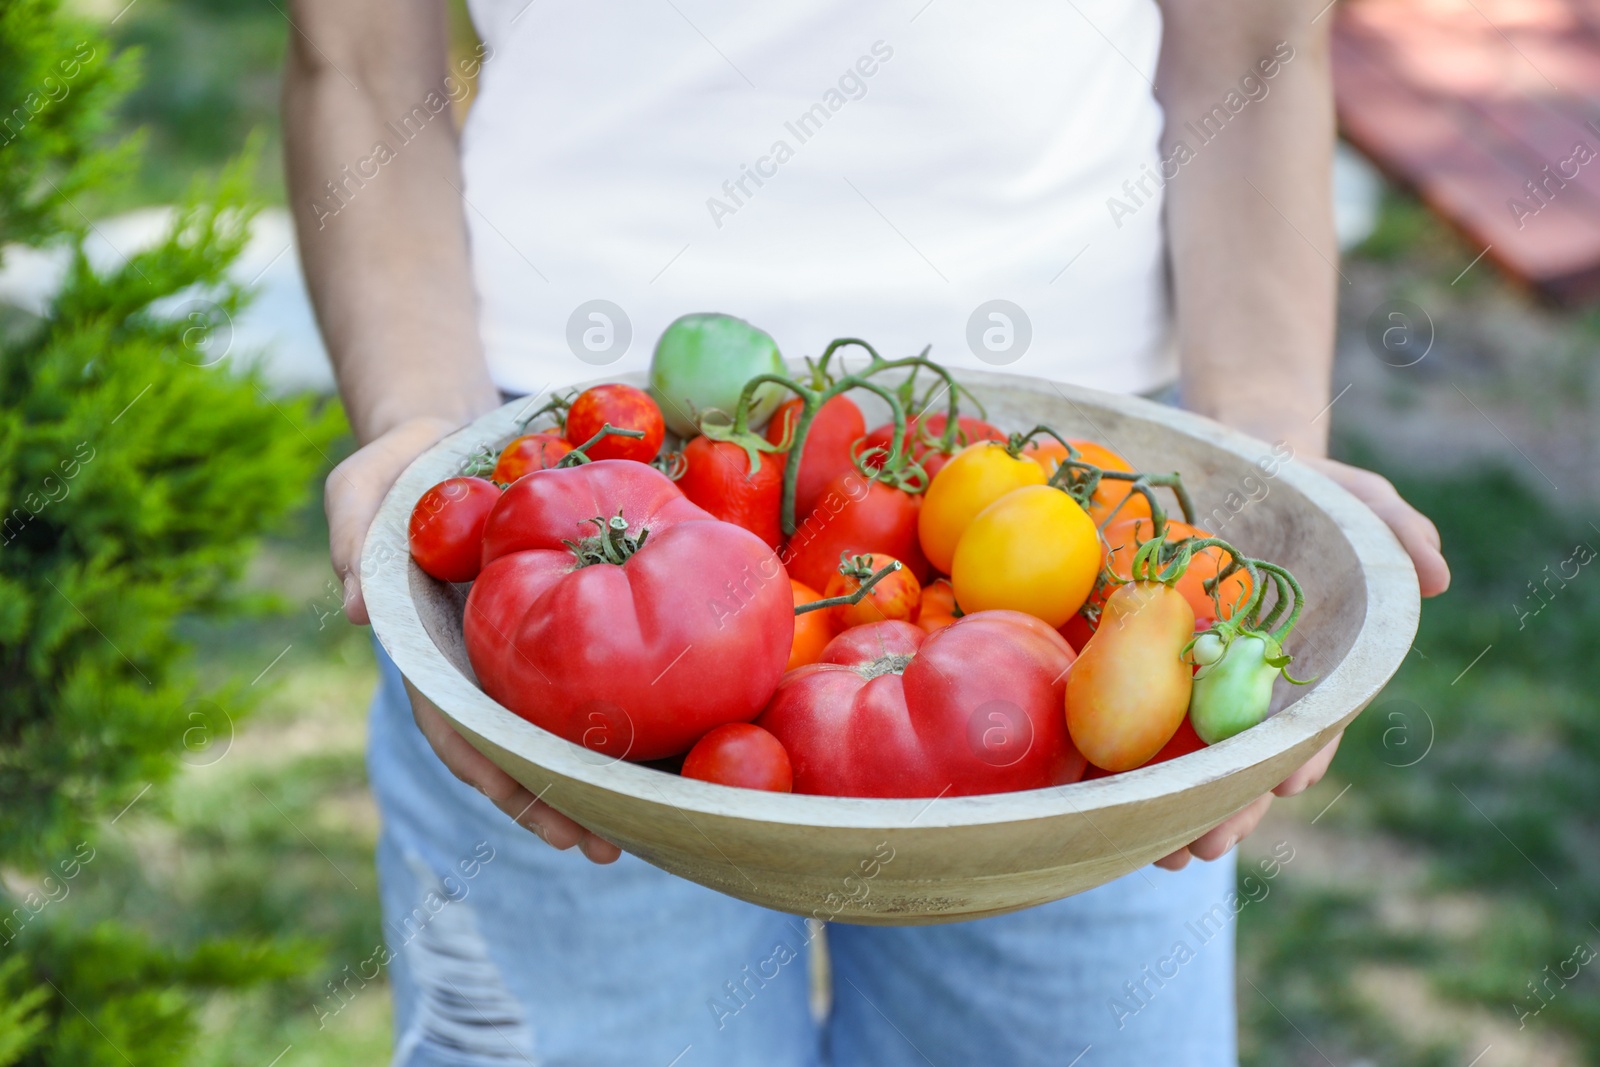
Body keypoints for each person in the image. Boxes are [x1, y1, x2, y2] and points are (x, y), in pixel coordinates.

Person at [286, 1, 1451, 1063]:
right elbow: (357, 59)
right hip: (571, 495)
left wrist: (1264, 463)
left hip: (1093, 536)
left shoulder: (1131, 582)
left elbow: (1252, 51)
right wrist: (421, 429)